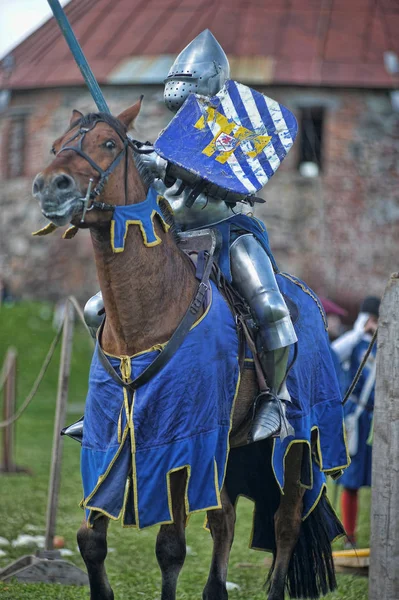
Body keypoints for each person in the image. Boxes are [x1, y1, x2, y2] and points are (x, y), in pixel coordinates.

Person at [84, 30, 297, 441]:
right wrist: (133, 165)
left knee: (270, 307)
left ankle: (274, 400)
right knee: (98, 310)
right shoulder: (167, 141)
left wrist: (165, 168)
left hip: (227, 233)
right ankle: (115, 397)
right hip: (175, 240)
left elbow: (236, 186)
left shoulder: (235, 135)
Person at [334, 296, 380, 547]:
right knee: (350, 481)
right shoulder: (355, 342)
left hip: (378, 422)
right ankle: (349, 536)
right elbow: (334, 353)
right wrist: (361, 331)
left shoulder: (386, 344)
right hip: (356, 418)